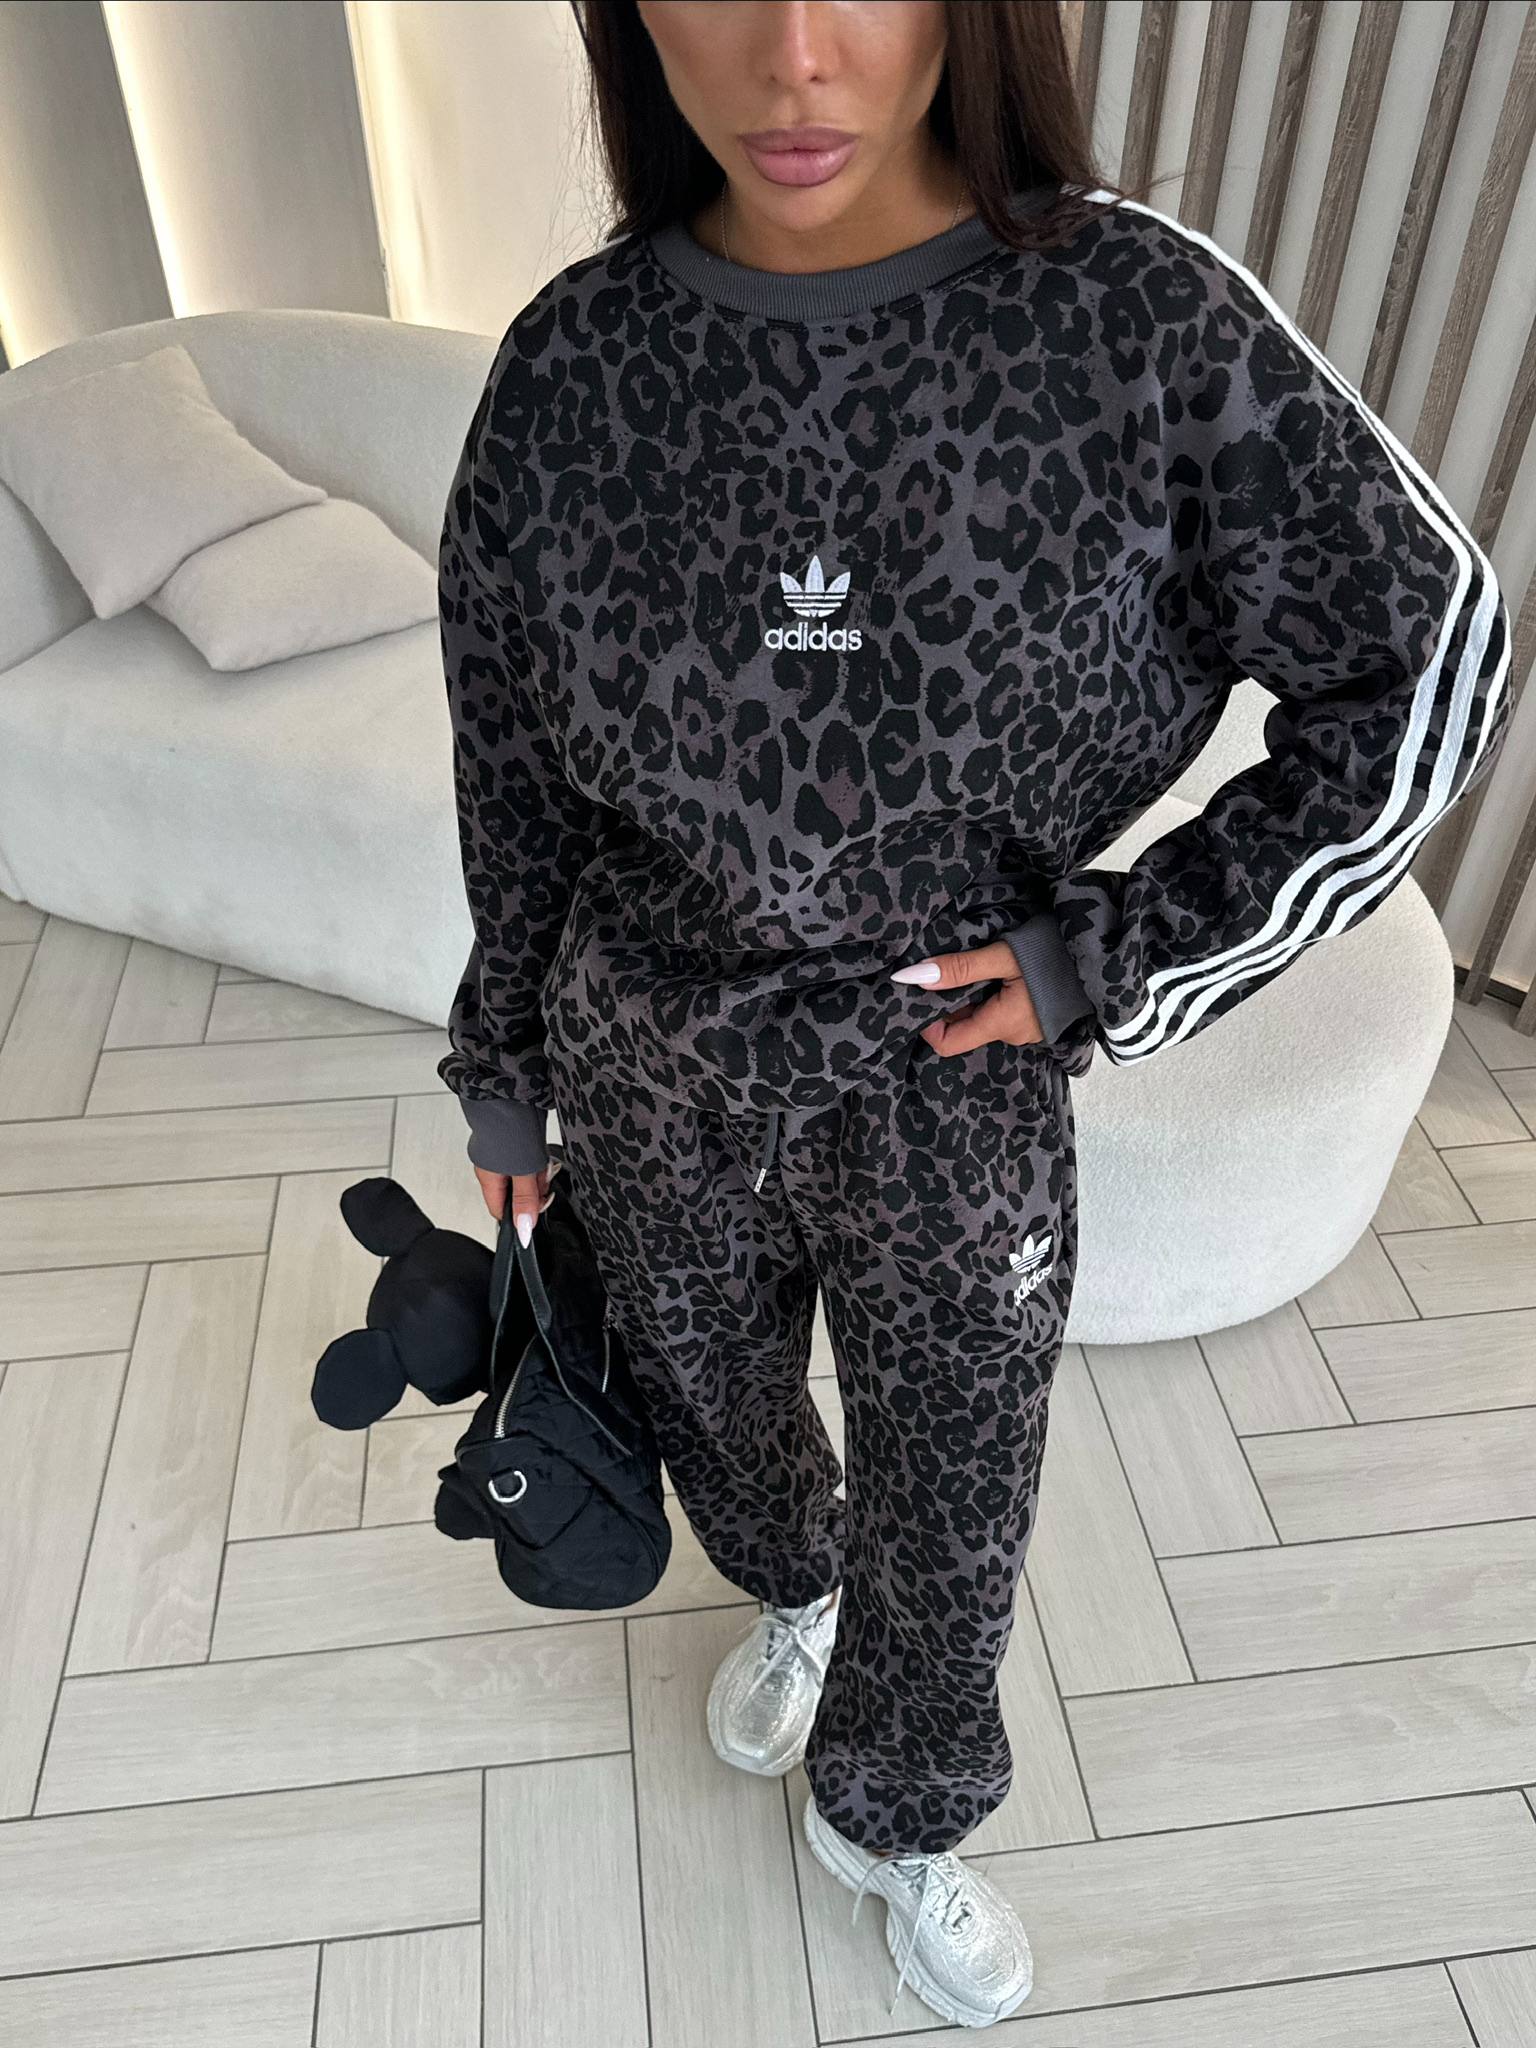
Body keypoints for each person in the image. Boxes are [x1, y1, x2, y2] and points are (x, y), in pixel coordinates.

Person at [435, 1, 1512, 2029]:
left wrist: (1124, 949)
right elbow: (512, 772)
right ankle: (790, 1584)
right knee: (712, 1404)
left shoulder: (1133, 322)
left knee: (956, 1488)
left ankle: (904, 1806)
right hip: (648, 1062)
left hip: (951, 1080)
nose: (793, 54)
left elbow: (1433, 653)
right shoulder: (571, 367)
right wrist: (505, 1070)